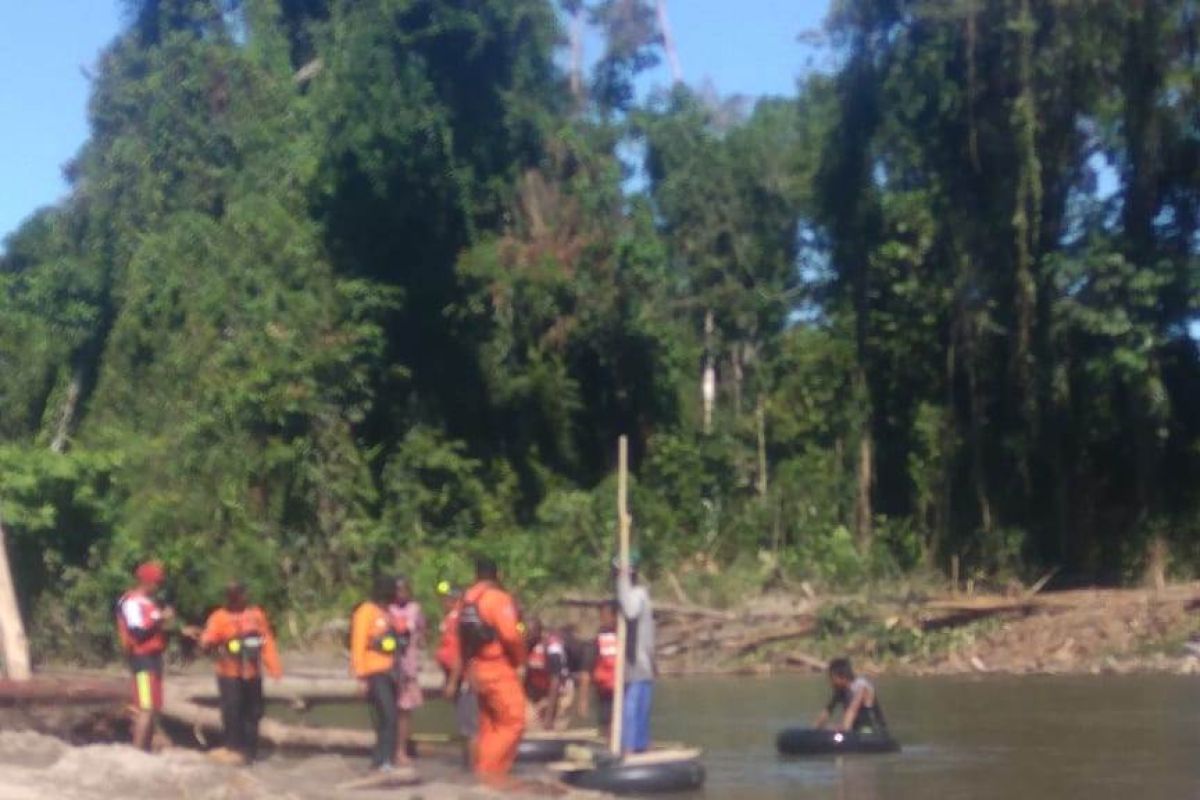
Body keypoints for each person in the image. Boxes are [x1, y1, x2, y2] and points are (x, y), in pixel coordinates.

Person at [451, 556, 526, 785]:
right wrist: (520, 660)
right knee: (515, 721)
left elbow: (459, 637)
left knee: (491, 724)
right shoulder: (497, 599)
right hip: (496, 668)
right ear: (498, 574)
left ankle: (491, 774)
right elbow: (511, 635)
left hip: (475, 668)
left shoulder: (465, 600)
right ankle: (487, 772)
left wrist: (466, 668)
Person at [198, 581, 283, 764]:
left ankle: (250, 751)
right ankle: (233, 748)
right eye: (234, 595)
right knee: (232, 711)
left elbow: (266, 640)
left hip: (252, 673)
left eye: (240, 594)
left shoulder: (256, 615)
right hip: (229, 673)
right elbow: (208, 639)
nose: (239, 598)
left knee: (253, 713)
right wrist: (207, 642)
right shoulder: (219, 617)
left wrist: (274, 667)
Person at [116, 561, 178, 752]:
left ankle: (147, 748)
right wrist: (160, 618)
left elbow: (154, 629)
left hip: (154, 658)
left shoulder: (149, 603)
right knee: (146, 707)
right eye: (157, 583)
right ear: (147, 582)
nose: (158, 587)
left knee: (154, 708)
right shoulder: (132, 602)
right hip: (141, 659)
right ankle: (138, 751)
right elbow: (137, 632)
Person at [350, 576, 409, 773]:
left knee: (387, 717)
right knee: (388, 715)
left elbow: (394, 640)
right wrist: (360, 676)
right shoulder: (365, 611)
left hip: (390, 671)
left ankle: (383, 759)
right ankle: (383, 759)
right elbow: (358, 645)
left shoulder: (387, 613)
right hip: (374, 672)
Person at [615, 554, 655, 754]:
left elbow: (630, 611)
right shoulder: (637, 594)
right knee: (634, 708)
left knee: (633, 709)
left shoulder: (638, 595)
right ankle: (634, 745)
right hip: (638, 663)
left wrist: (622, 580)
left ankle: (633, 748)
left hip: (639, 663)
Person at [436, 582, 478, 764]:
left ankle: (476, 767)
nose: (443, 601)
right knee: (464, 726)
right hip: (457, 677)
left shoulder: (457, 620)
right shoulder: (452, 618)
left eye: (446, 597)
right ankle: (469, 763)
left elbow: (458, 655)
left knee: (469, 727)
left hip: (464, 680)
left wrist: (452, 682)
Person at [387, 575, 426, 767]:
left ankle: (401, 750)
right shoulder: (387, 609)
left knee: (405, 710)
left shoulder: (415, 609)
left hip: (407, 665)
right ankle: (389, 749)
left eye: (404, 589)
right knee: (389, 709)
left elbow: (421, 633)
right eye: (397, 590)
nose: (400, 594)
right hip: (388, 665)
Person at [813, 657, 888, 734]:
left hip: (874, 732)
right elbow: (827, 711)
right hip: (855, 731)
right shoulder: (841, 690)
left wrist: (844, 729)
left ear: (841, 677)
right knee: (830, 729)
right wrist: (813, 731)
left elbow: (852, 711)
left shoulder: (861, 687)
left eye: (832, 678)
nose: (830, 682)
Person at [524, 618, 573, 730]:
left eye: (531, 632)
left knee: (552, 729)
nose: (528, 636)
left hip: (559, 693)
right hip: (537, 693)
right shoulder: (526, 645)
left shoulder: (552, 648)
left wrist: (549, 717)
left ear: (539, 632)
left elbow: (555, 681)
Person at [586, 601, 619, 736]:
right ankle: (607, 743)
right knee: (605, 721)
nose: (603, 619)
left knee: (619, 720)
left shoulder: (625, 637)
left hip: (621, 689)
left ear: (615, 616)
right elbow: (587, 668)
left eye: (605, 615)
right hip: (605, 690)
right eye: (601, 615)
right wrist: (584, 698)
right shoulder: (598, 640)